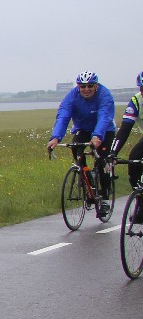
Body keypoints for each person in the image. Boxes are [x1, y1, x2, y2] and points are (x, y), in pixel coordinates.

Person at [47, 71, 116, 168]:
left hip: (105, 130)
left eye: (90, 86)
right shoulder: (72, 96)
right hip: (83, 128)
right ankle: (84, 172)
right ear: (78, 87)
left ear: (96, 86)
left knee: (101, 163)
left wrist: (97, 136)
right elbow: (63, 117)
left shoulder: (104, 95)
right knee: (75, 147)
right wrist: (55, 138)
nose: (86, 89)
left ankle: (103, 173)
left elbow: (104, 116)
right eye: (83, 86)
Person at [109, 72, 143, 221]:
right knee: (134, 159)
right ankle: (140, 202)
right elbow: (124, 130)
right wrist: (113, 152)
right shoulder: (136, 101)